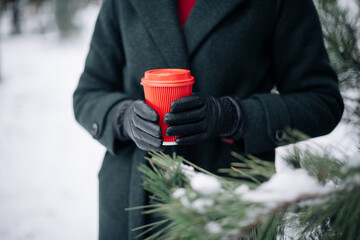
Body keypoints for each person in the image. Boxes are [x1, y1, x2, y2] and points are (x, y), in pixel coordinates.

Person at [73, 0, 344, 239]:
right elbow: (89, 92)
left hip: (234, 204)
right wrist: (122, 117)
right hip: (130, 201)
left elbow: (322, 100)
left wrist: (234, 116)